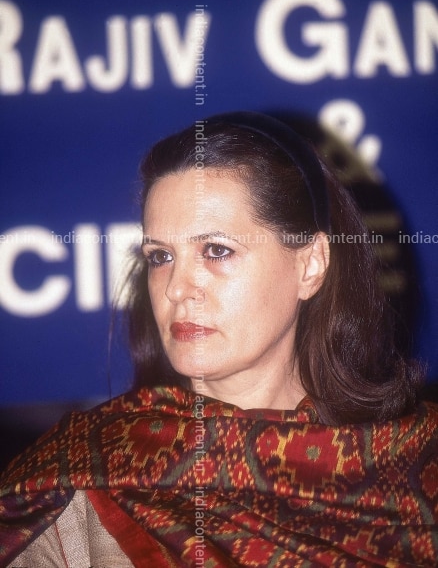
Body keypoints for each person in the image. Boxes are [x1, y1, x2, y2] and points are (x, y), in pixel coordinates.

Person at [0, 111, 436, 567]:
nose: (176, 288)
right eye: (161, 256)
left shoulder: (411, 462)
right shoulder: (81, 480)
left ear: (310, 265)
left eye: (216, 250)